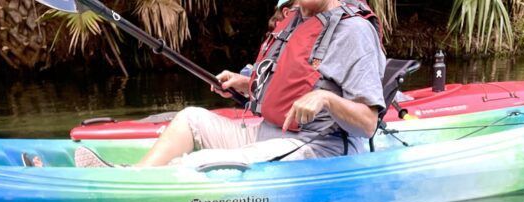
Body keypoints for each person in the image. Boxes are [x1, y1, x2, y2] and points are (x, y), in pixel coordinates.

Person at [73, 0, 386, 169]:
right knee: (190, 118)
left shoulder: (354, 31)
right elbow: (291, 81)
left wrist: (326, 99)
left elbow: (368, 124)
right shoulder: (296, 18)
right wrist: (246, 83)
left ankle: (137, 189)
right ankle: (135, 181)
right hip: (270, 131)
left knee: (202, 163)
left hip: (319, 145)